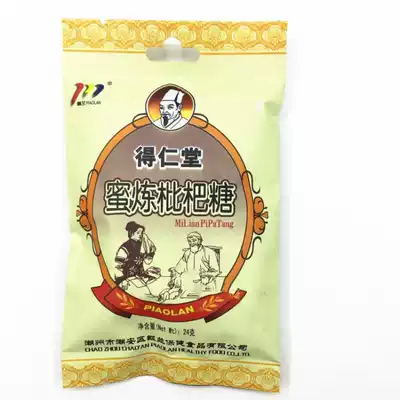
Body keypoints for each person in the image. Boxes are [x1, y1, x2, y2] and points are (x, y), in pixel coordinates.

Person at [159, 232, 221, 301]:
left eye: (194, 240)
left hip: (204, 283)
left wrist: (205, 274)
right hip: (189, 284)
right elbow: (179, 269)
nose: (191, 243)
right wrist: (175, 276)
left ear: (199, 241)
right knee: (177, 297)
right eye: (189, 241)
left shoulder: (209, 252)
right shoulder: (187, 253)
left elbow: (216, 271)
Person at [114, 221, 159, 290]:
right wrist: (122, 280)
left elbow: (147, 261)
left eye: (141, 233)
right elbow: (117, 266)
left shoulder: (142, 245)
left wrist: (150, 250)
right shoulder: (126, 246)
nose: (140, 235)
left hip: (139, 276)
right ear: (131, 233)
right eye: (138, 232)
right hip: (127, 278)